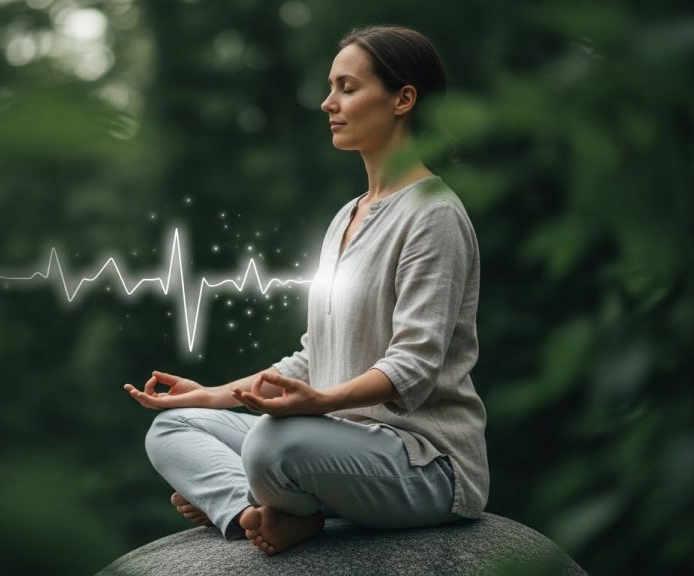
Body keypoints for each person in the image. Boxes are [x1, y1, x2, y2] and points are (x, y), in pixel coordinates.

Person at [124, 24, 488, 557]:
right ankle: (254, 513)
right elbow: (313, 357)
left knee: (274, 444)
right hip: (335, 447)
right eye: (330, 87)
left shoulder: (433, 214)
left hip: (424, 465)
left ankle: (261, 501)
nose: (327, 103)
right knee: (176, 427)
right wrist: (213, 394)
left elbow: (415, 364)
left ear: (402, 99)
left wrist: (320, 404)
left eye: (347, 87)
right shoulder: (348, 216)